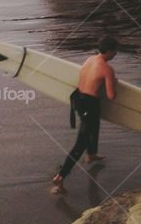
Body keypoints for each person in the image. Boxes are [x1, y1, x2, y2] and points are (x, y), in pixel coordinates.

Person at [51, 35, 118, 194]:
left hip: (79, 99)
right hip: (90, 103)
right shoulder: (107, 69)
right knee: (81, 142)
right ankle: (60, 177)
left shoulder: (90, 59)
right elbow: (111, 96)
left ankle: (91, 154)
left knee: (94, 126)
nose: (116, 54)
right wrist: (113, 82)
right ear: (108, 51)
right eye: (115, 52)